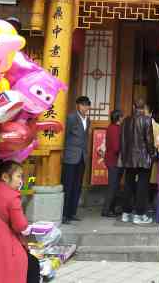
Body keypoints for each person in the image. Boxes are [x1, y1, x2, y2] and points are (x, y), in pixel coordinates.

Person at [120, 100, 156, 225]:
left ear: (134, 106)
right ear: (144, 108)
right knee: (142, 186)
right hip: (143, 158)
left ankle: (126, 213)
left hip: (129, 158)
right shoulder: (147, 120)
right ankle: (139, 214)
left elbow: (123, 141)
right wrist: (152, 154)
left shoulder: (125, 121)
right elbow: (149, 141)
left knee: (128, 185)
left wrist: (123, 157)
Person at [61, 96, 91, 224]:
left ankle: (72, 212)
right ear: (78, 105)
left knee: (77, 186)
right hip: (70, 156)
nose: (85, 107)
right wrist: (64, 151)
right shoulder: (71, 117)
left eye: (87, 105)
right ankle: (64, 214)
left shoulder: (88, 120)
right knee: (68, 185)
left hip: (82, 157)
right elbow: (65, 135)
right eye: (83, 105)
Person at [102, 109, 123, 218]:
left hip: (111, 159)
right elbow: (116, 147)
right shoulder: (115, 128)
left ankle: (112, 209)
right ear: (119, 118)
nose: (122, 118)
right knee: (113, 186)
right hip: (113, 160)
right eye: (121, 117)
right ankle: (106, 210)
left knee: (114, 186)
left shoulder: (111, 127)